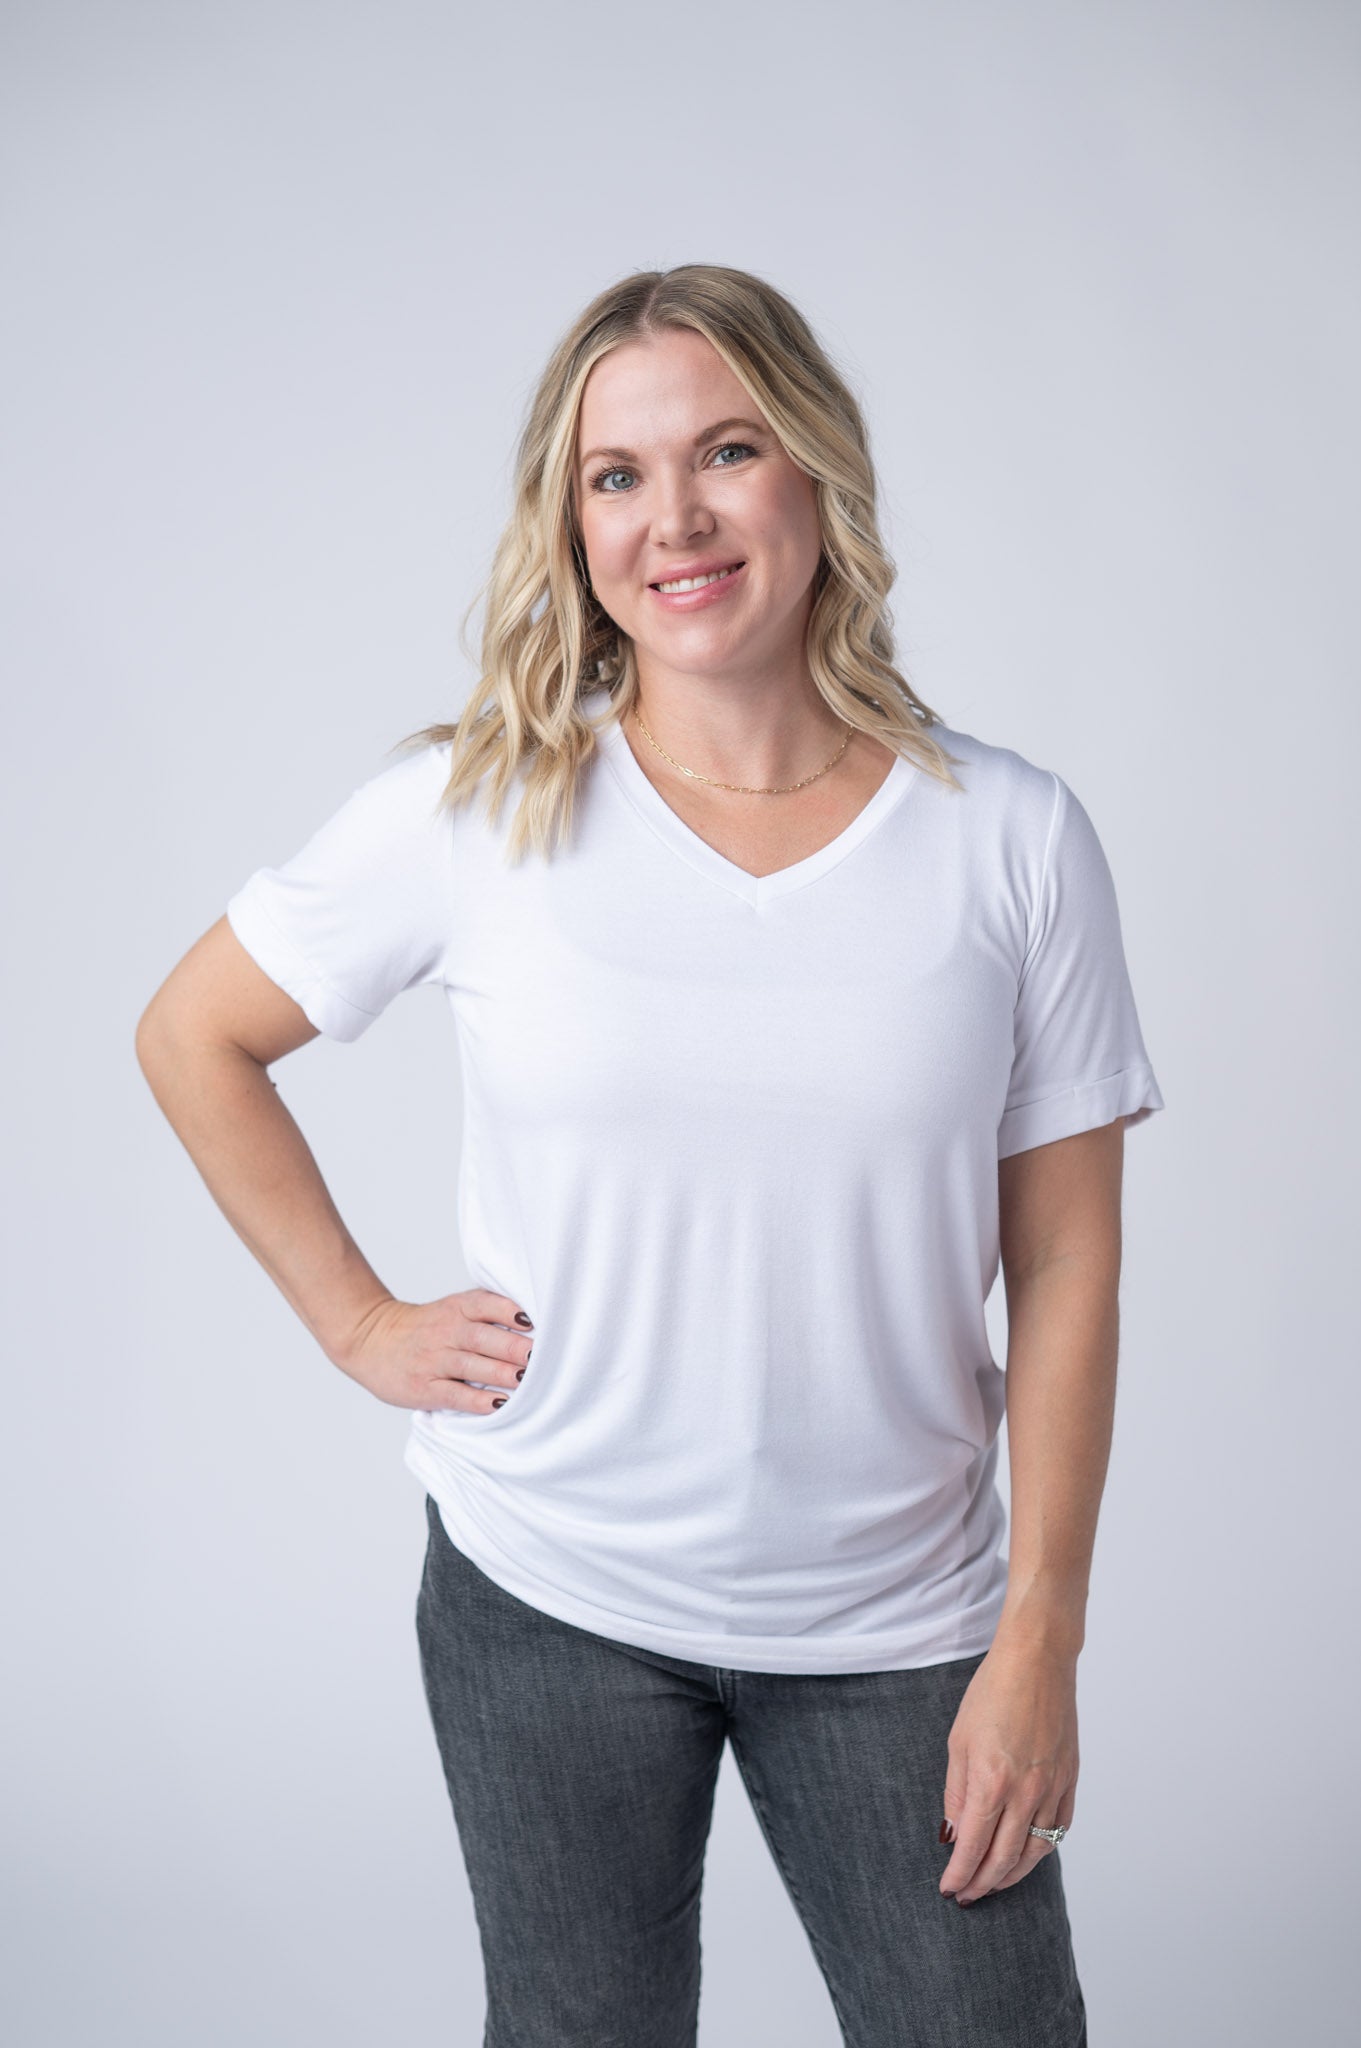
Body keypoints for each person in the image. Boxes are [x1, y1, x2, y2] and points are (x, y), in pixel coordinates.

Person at [136, 263, 1164, 2048]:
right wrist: (359, 1321)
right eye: (616, 475)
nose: (671, 517)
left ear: (815, 474)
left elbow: (1065, 1258)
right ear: (572, 523)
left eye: (725, 451)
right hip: (550, 1598)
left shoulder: (1007, 837)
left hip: (898, 1619)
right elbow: (192, 1035)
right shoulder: (479, 808)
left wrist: (1039, 1638)